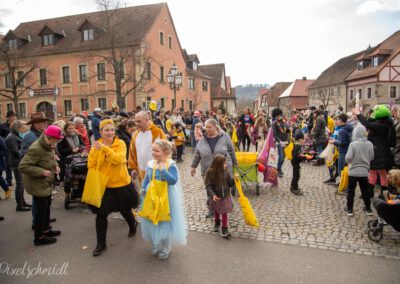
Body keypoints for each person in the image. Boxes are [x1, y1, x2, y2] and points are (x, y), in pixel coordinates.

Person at [87, 119, 137, 256]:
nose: (110, 132)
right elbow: (91, 164)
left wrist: (105, 150)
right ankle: (100, 243)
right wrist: (101, 154)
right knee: (100, 215)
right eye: (106, 130)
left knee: (125, 209)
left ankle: (133, 226)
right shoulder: (96, 146)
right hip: (104, 185)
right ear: (101, 132)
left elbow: (120, 159)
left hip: (121, 183)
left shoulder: (120, 143)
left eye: (111, 130)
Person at [139, 140, 187, 259]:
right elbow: (147, 178)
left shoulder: (170, 165)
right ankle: (155, 244)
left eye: (157, 151)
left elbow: (173, 180)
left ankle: (165, 246)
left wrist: (163, 171)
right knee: (152, 220)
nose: (154, 153)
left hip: (165, 196)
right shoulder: (150, 163)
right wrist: (143, 188)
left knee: (163, 221)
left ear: (165, 152)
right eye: (153, 150)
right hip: (152, 195)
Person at [19, 125, 63, 246]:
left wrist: (55, 165)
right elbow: (23, 166)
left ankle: (46, 230)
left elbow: (49, 158)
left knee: (46, 207)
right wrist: (42, 172)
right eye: (56, 140)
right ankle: (39, 238)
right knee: (40, 211)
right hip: (37, 183)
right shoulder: (36, 148)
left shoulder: (47, 145)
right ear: (49, 138)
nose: (57, 142)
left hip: (45, 182)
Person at [191, 119, 237, 218]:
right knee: (210, 188)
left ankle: (228, 204)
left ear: (215, 127)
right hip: (208, 169)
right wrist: (193, 166)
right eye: (206, 127)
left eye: (209, 127)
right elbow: (197, 153)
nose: (207, 129)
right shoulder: (203, 139)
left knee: (224, 187)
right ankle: (212, 208)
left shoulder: (224, 136)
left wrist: (235, 162)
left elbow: (231, 150)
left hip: (224, 168)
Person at [355, 105, 395, 198]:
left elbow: (368, 124)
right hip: (379, 151)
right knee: (376, 172)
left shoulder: (381, 125)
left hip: (378, 152)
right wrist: (367, 116)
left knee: (379, 172)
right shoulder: (386, 122)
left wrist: (358, 114)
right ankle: (375, 193)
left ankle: (381, 193)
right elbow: (370, 122)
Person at [344, 125, 374, 216]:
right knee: (365, 190)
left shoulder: (353, 144)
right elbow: (372, 157)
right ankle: (368, 208)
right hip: (364, 171)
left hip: (353, 171)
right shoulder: (370, 144)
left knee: (351, 191)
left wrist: (351, 161)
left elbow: (348, 158)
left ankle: (349, 209)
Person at [128, 111, 166, 183]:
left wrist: (164, 168)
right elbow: (132, 153)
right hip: (141, 172)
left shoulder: (157, 132)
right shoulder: (135, 135)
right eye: (135, 121)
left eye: (139, 121)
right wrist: (133, 168)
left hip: (157, 171)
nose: (137, 124)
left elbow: (166, 150)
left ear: (147, 120)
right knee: (144, 192)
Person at [205, 154, 234, 238]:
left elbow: (229, 183)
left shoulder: (226, 172)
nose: (226, 165)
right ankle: (217, 222)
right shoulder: (211, 172)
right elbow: (208, 186)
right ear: (218, 165)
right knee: (216, 210)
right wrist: (213, 195)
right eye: (224, 163)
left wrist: (234, 181)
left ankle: (224, 228)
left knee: (224, 212)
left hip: (225, 196)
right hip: (216, 196)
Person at [5, 120, 31, 211]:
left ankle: (23, 202)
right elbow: (15, 152)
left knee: (22, 184)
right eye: (22, 128)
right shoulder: (11, 137)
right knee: (20, 184)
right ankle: (19, 205)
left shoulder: (15, 135)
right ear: (17, 128)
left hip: (19, 162)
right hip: (16, 163)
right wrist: (27, 150)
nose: (24, 130)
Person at [329, 113, 353, 184]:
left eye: (338, 119)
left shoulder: (342, 130)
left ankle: (343, 185)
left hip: (343, 152)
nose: (337, 121)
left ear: (341, 120)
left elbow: (342, 143)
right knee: (346, 169)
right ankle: (346, 184)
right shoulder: (350, 127)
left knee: (341, 170)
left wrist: (333, 141)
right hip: (348, 150)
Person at [0, 110, 17, 186]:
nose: (13, 118)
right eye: (12, 116)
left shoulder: (16, 125)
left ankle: (18, 178)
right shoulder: (2, 126)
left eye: (14, 116)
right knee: (8, 165)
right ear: (9, 117)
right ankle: (9, 180)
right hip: (7, 148)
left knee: (17, 163)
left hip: (16, 146)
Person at [271, 108, 289, 177]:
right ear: (275, 116)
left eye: (280, 115)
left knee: (284, 157)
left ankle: (279, 168)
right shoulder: (274, 123)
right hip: (279, 142)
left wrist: (289, 129)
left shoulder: (284, 121)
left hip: (285, 141)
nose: (279, 117)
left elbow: (286, 131)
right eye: (277, 116)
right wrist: (279, 141)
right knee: (281, 156)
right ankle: (278, 170)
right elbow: (274, 134)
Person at [290, 130, 306, 196]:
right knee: (296, 175)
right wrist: (304, 157)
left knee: (297, 175)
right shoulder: (297, 146)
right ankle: (293, 188)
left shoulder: (297, 145)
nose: (304, 140)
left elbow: (298, 155)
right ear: (299, 139)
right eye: (303, 139)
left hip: (295, 162)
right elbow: (296, 157)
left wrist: (304, 155)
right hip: (295, 162)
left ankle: (295, 187)